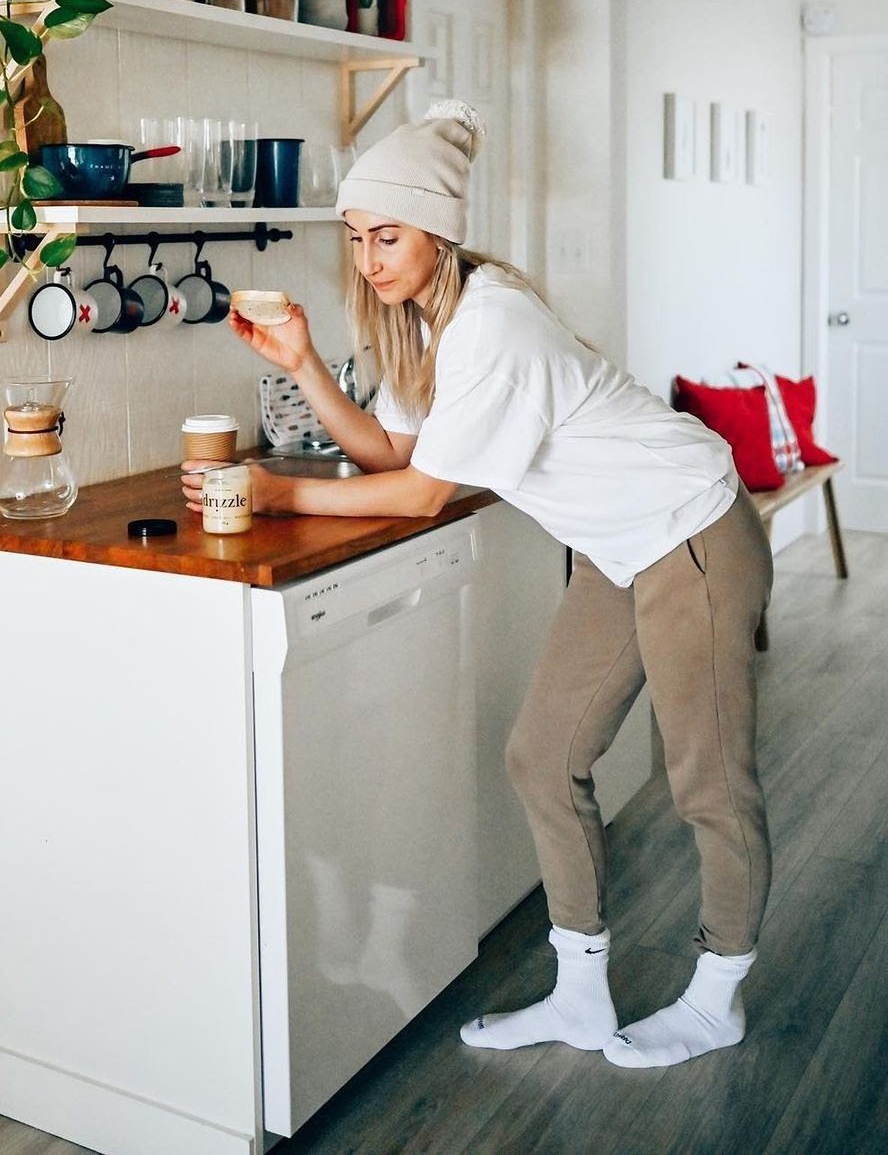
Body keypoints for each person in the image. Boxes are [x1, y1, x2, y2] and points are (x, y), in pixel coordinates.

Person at [181, 101, 774, 1070]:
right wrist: (302, 368)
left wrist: (276, 491)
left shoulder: (492, 322)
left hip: (691, 534)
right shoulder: (428, 320)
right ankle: (581, 997)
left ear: (440, 230)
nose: (369, 258)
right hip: (616, 550)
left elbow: (417, 495)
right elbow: (394, 447)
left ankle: (719, 997)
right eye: (358, 237)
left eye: (390, 235)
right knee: (544, 758)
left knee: (708, 781)